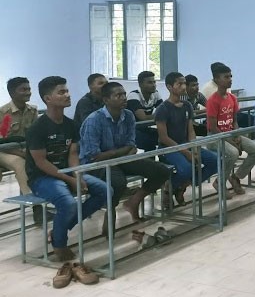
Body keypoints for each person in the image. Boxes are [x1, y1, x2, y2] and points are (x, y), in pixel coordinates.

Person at [25, 76, 110, 261]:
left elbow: (72, 154)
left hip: (66, 174)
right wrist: (70, 180)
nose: (67, 95)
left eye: (67, 91)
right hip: (42, 178)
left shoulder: (71, 125)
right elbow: (41, 162)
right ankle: (59, 244)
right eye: (61, 92)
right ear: (48, 99)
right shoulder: (37, 129)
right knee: (68, 203)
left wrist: (77, 175)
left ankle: (59, 230)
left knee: (105, 191)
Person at [79, 82, 171, 235]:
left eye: (123, 94)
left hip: (122, 158)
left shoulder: (128, 115)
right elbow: (94, 155)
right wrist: (119, 153)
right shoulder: (94, 120)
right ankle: (110, 213)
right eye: (118, 95)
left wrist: (116, 154)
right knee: (118, 182)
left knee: (161, 171)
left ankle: (133, 202)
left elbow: (131, 145)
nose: (123, 98)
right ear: (106, 100)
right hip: (96, 164)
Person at [154, 72, 217, 206]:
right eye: (179, 84)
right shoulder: (162, 109)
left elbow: (190, 130)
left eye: (184, 83)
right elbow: (163, 137)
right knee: (187, 168)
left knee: (215, 161)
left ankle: (182, 186)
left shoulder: (187, 105)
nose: (183, 87)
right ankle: (168, 188)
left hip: (186, 144)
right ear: (170, 87)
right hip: (168, 148)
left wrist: (193, 147)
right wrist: (185, 152)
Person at [205, 64, 255, 197]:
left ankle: (236, 177)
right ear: (217, 80)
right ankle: (219, 182)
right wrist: (230, 140)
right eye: (226, 77)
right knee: (233, 153)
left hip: (231, 133)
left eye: (231, 76)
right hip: (215, 137)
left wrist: (236, 135)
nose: (230, 79)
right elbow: (213, 127)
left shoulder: (232, 98)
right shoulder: (213, 101)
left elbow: (234, 120)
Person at [0, 77, 41, 222]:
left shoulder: (32, 111)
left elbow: (36, 135)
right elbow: (2, 141)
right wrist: (22, 153)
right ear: (12, 93)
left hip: (25, 150)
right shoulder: (5, 113)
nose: (28, 92)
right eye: (23, 89)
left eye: (28, 89)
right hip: (4, 151)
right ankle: (37, 208)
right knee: (19, 163)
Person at [127, 71, 163, 151]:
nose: (153, 85)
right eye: (150, 82)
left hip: (144, 127)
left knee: (167, 136)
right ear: (140, 84)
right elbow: (143, 118)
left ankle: (163, 160)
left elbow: (165, 112)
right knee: (149, 142)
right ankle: (153, 162)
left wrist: (159, 115)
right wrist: (159, 115)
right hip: (131, 130)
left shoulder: (155, 94)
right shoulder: (133, 95)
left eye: (154, 82)